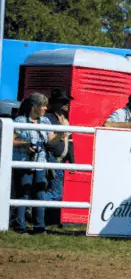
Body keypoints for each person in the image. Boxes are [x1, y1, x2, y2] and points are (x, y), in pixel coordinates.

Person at [11, 93, 64, 233]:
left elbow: (51, 141)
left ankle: (39, 227)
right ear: (34, 106)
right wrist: (25, 144)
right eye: (43, 106)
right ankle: (20, 227)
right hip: (23, 162)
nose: (45, 108)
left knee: (39, 194)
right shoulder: (20, 120)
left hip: (40, 163)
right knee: (23, 193)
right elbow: (10, 140)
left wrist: (61, 134)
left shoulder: (45, 121)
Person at [40, 90, 74, 229]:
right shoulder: (48, 118)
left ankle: (51, 220)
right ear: (54, 103)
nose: (66, 104)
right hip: (51, 158)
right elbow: (49, 142)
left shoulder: (64, 119)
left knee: (55, 190)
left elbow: (70, 141)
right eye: (63, 101)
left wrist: (72, 161)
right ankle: (30, 203)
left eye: (67, 102)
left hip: (60, 160)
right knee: (56, 192)